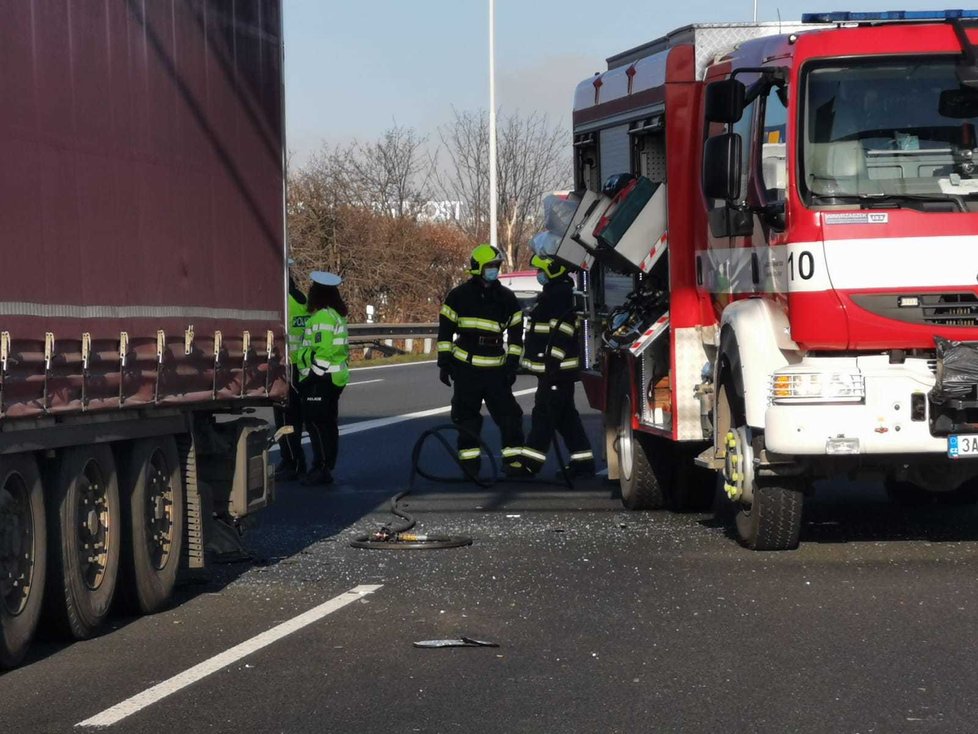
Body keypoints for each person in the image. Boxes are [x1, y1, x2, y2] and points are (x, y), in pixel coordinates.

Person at [437, 244, 525, 477]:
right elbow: (445, 332)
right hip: (466, 369)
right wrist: (444, 363)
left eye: (497, 266)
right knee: (467, 420)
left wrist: (512, 363)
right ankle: (470, 465)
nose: (494, 270)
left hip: (496, 369)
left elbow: (516, 334)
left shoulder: (506, 298)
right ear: (478, 268)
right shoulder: (458, 296)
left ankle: (513, 462)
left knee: (510, 417)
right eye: (490, 266)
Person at [517, 255, 594, 477]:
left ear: (551, 270)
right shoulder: (556, 293)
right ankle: (583, 462)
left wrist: (552, 361)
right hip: (556, 371)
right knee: (565, 417)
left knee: (544, 415)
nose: (537, 275)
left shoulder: (558, 295)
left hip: (556, 371)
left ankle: (530, 464)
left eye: (539, 270)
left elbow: (562, 330)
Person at [293, 271, 349, 486]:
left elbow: (323, 351)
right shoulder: (336, 315)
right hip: (334, 378)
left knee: (316, 424)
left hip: (321, 379)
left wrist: (310, 378)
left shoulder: (322, 317)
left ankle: (321, 468)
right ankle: (326, 466)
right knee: (328, 425)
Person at [273, 261, 310, 481]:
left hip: (287, 367)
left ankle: (292, 462)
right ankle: (299, 461)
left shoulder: (281, 302)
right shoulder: (302, 299)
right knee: (298, 418)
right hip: (303, 367)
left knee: (285, 419)